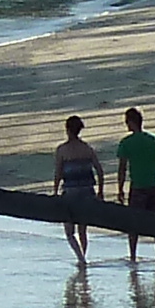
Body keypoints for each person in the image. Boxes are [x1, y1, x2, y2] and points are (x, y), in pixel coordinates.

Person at [115, 104, 155, 267]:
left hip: (138, 186)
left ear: (131, 122)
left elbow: (122, 168)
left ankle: (133, 256)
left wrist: (120, 189)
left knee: (134, 224)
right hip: (154, 184)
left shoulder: (126, 142)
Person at [51, 114, 103, 267]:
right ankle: (83, 259)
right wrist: (100, 191)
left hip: (71, 191)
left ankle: (81, 259)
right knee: (82, 229)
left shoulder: (62, 150)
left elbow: (58, 173)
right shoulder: (87, 148)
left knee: (69, 231)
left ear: (67, 130)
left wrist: (55, 192)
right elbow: (99, 170)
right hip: (87, 190)